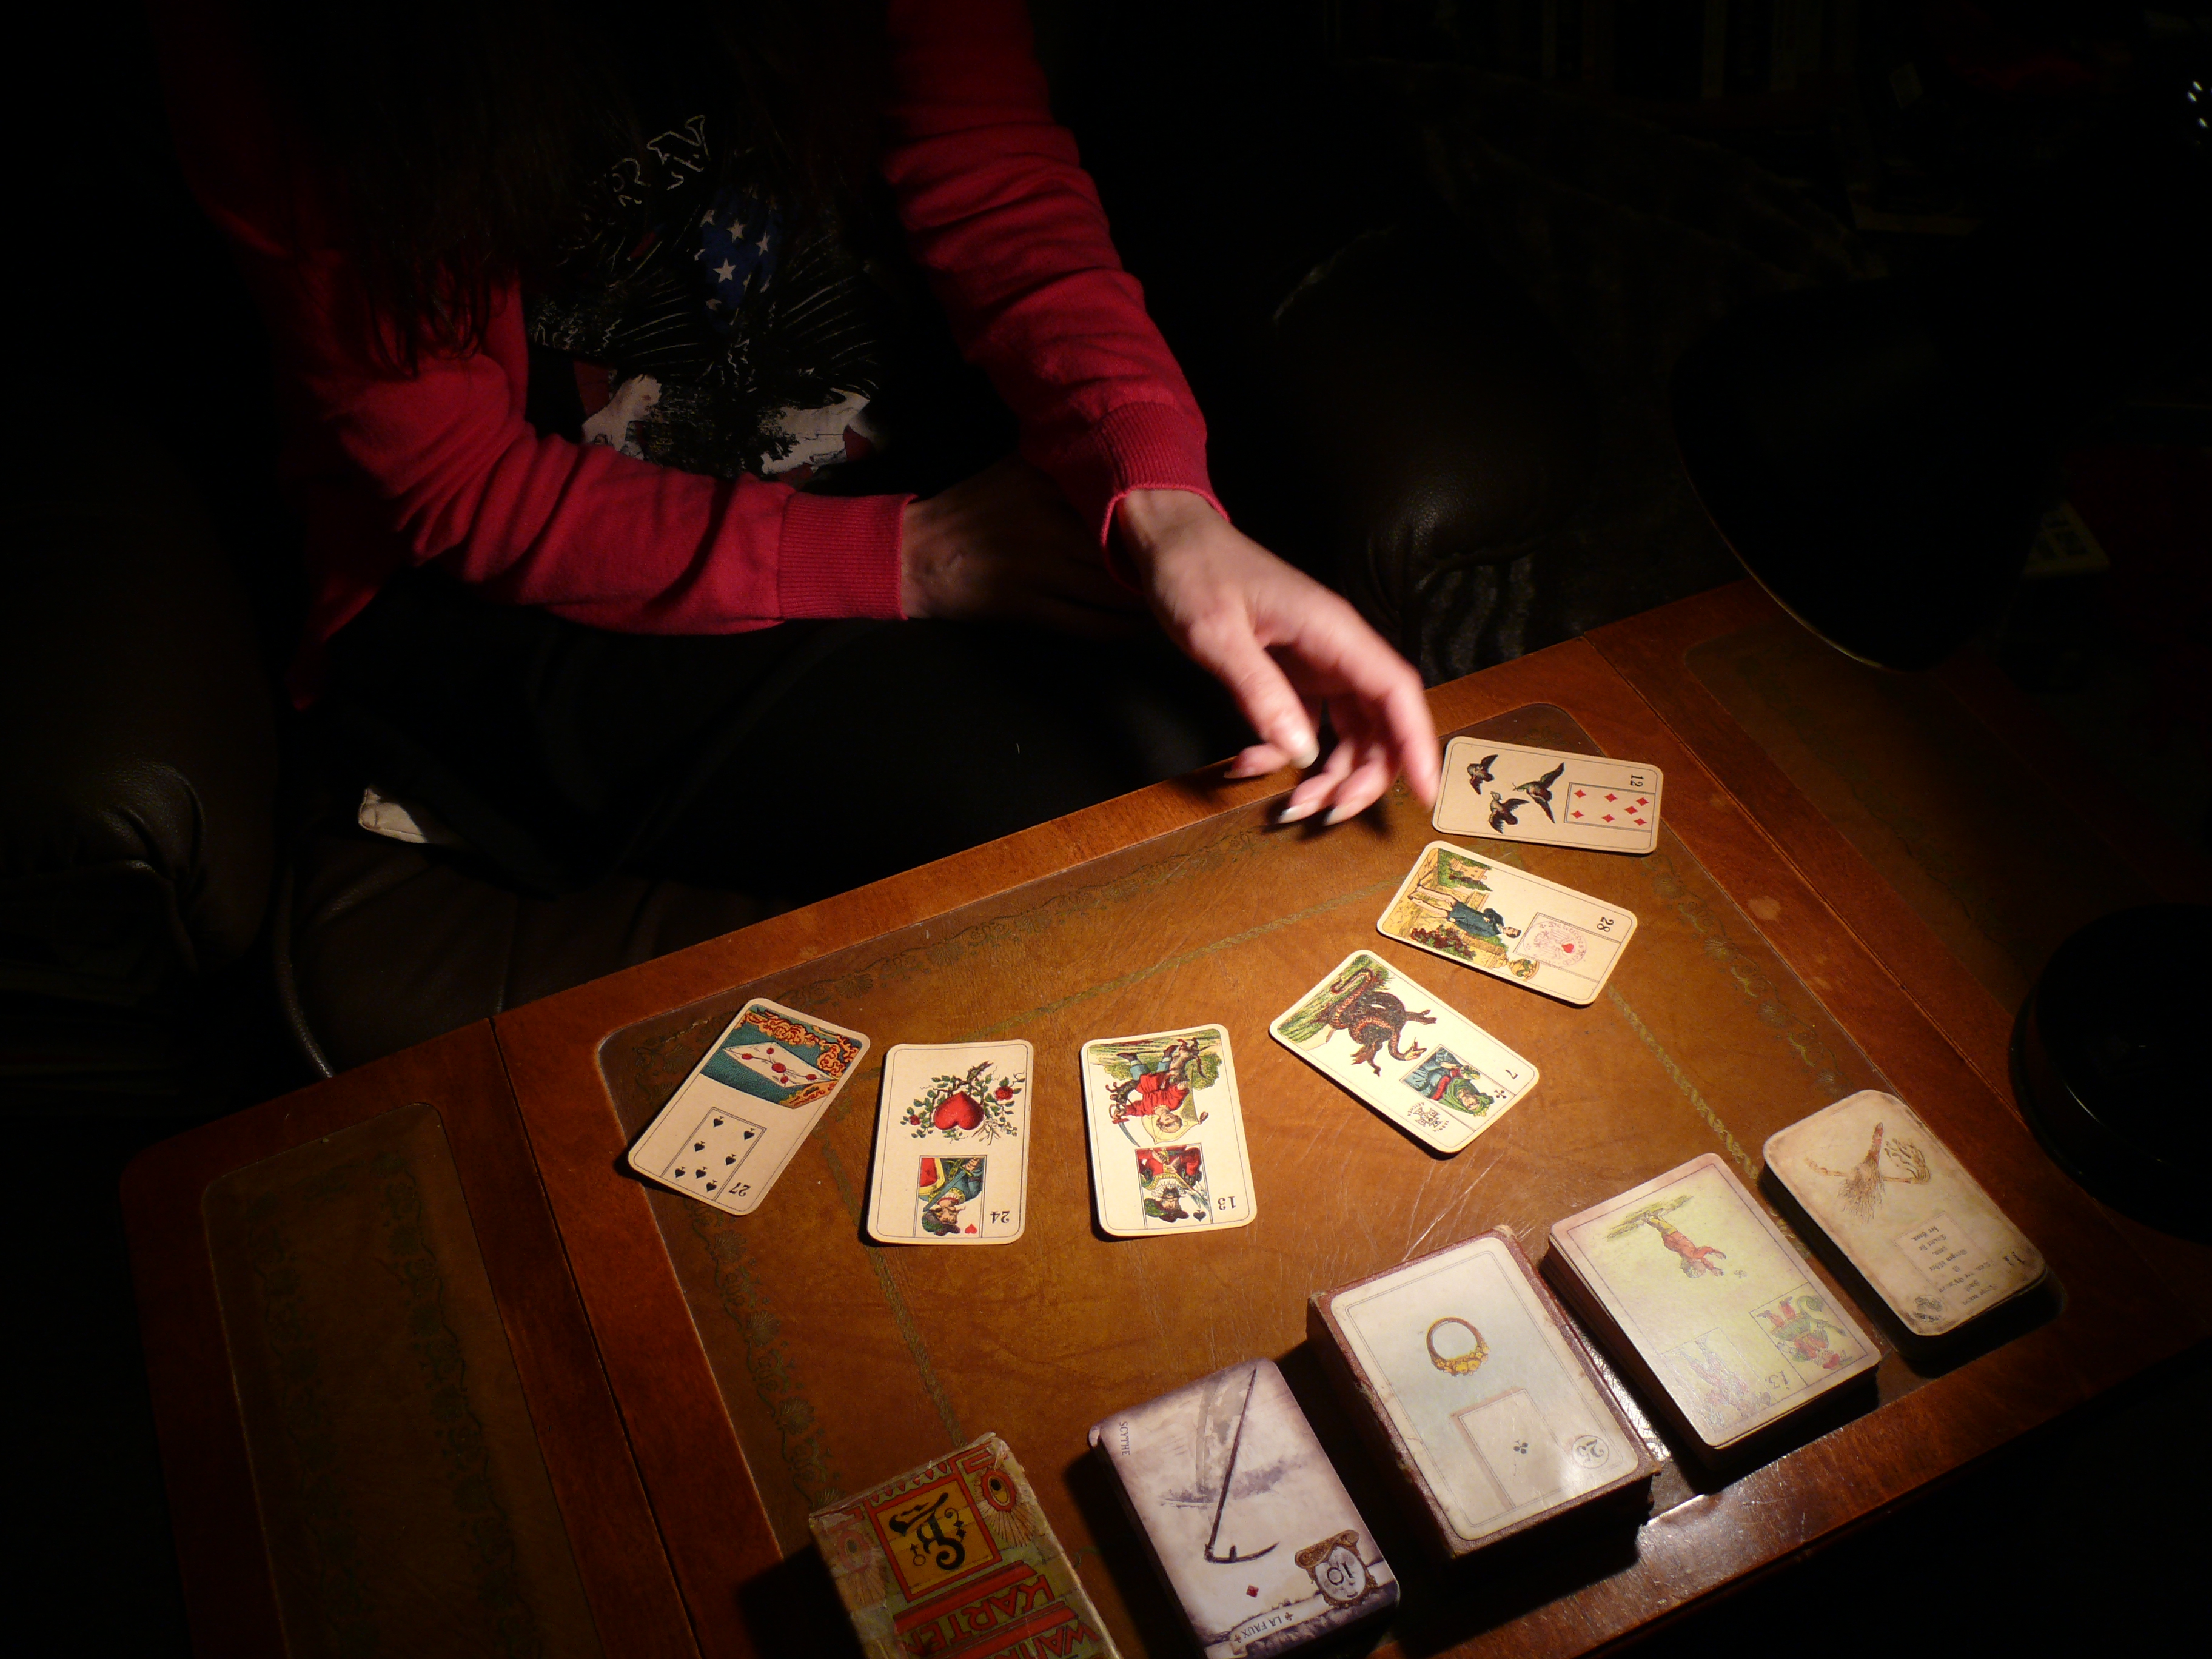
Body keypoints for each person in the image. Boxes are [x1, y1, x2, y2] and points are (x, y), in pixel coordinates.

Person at [152, 0, 1438, 899]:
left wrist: (1166, 507)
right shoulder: (283, 44)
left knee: (1233, 732)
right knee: (1119, 814)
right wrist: (918, 559)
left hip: (876, 441)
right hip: (526, 592)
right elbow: (462, 490)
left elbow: (989, 175)